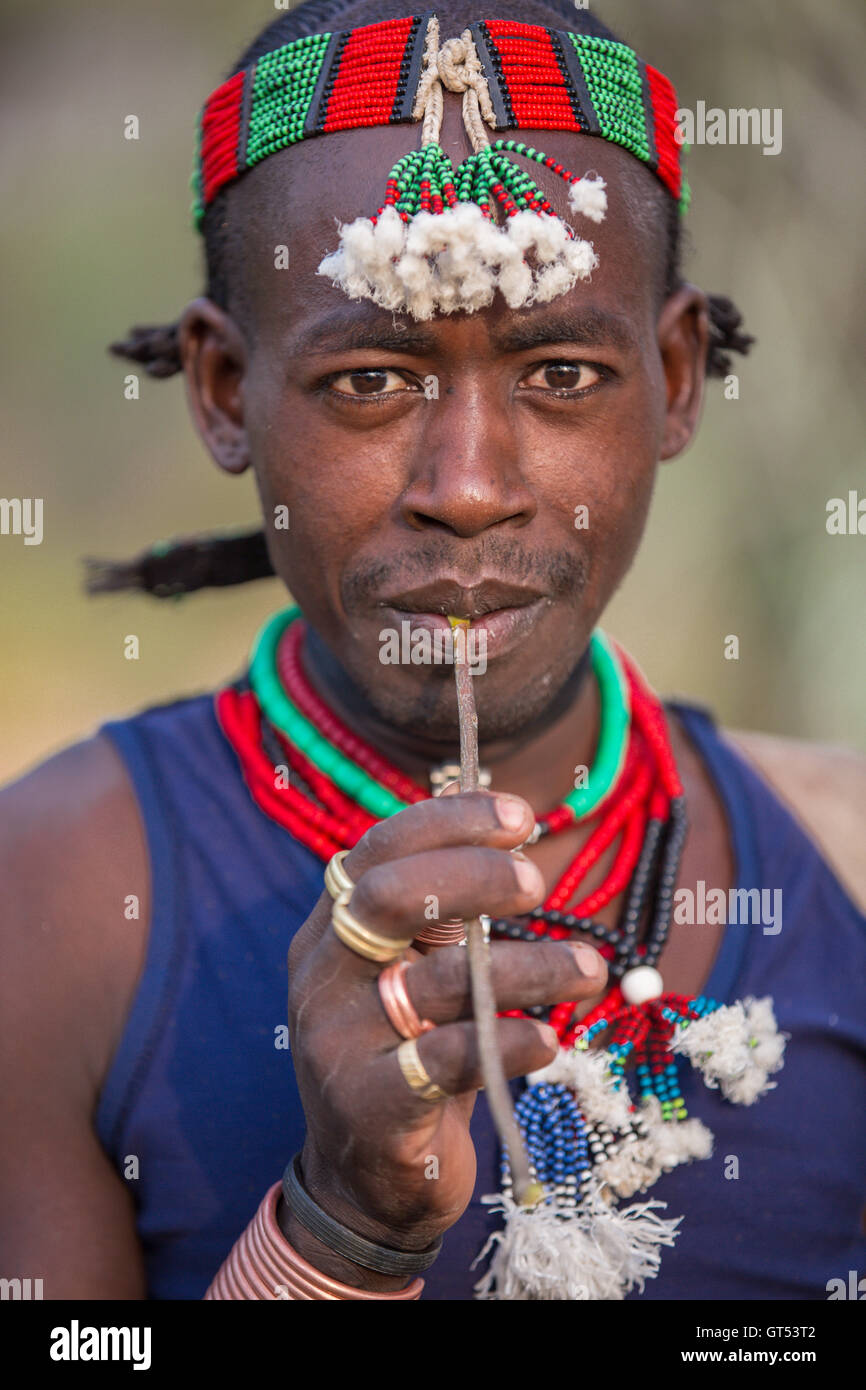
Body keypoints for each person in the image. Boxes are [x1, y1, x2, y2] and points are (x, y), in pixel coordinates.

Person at [2, 0, 864, 1302]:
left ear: (676, 376)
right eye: (369, 380)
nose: (465, 488)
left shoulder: (843, 854)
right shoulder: (47, 905)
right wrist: (336, 1231)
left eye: (561, 372)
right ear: (227, 392)